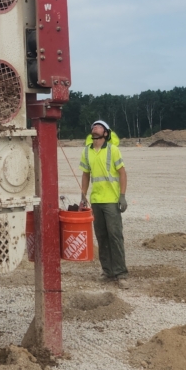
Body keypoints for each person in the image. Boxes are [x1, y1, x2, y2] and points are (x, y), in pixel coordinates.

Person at [79, 120, 129, 287]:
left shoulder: (113, 150)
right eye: (93, 126)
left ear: (105, 133)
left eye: (99, 126)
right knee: (102, 237)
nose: (95, 128)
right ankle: (107, 271)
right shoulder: (87, 151)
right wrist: (83, 195)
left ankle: (120, 273)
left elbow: (122, 173)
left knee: (115, 236)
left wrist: (122, 196)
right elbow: (86, 174)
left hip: (111, 201)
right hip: (96, 201)